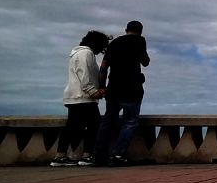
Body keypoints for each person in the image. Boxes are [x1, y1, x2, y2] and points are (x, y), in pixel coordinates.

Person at [50, 30, 112, 167]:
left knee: (72, 127)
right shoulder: (86, 53)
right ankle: (86, 155)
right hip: (83, 98)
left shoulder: (76, 53)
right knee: (94, 126)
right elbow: (84, 74)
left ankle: (60, 156)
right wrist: (93, 92)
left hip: (74, 97)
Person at [94, 20, 150, 166]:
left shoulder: (114, 43)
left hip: (113, 89)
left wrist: (102, 86)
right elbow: (145, 62)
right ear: (141, 31)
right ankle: (118, 155)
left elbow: (103, 67)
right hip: (132, 89)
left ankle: (99, 156)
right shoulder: (140, 41)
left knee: (107, 121)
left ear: (126, 29)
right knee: (130, 122)